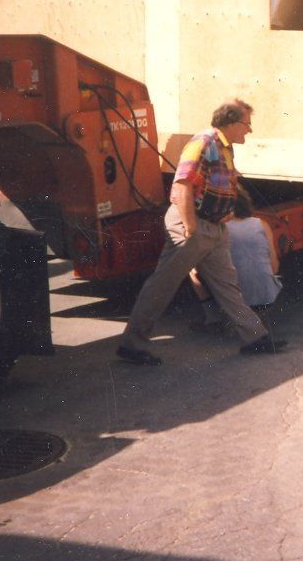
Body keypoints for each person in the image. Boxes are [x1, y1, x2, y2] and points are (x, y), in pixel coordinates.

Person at [116, 99, 286, 365]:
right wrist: (191, 228)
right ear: (230, 122)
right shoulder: (204, 142)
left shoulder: (224, 148)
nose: (249, 130)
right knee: (162, 286)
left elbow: (214, 187)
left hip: (214, 228)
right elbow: (182, 184)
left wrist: (225, 211)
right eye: (247, 124)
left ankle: (256, 339)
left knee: (228, 286)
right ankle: (131, 344)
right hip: (194, 226)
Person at [189, 189, 282, 322]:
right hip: (268, 298)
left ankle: (212, 318)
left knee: (193, 268)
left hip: (237, 301)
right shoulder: (262, 224)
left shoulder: (218, 228)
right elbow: (275, 267)